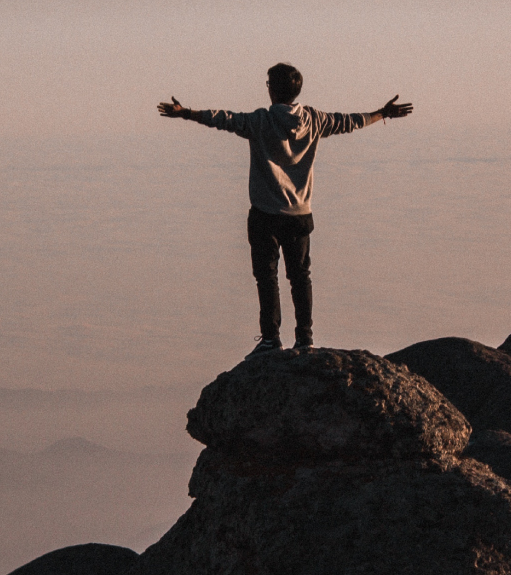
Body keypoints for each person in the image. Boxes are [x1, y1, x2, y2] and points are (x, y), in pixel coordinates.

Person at [157, 63, 412, 358]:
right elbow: (350, 121)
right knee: (300, 277)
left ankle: (270, 339)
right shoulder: (315, 120)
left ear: (273, 89)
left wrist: (186, 113)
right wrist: (383, 113)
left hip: (265, 214)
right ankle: (305, 338)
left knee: (267, 277)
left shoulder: (261, 121)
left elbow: (223, 119)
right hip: (300, 214)